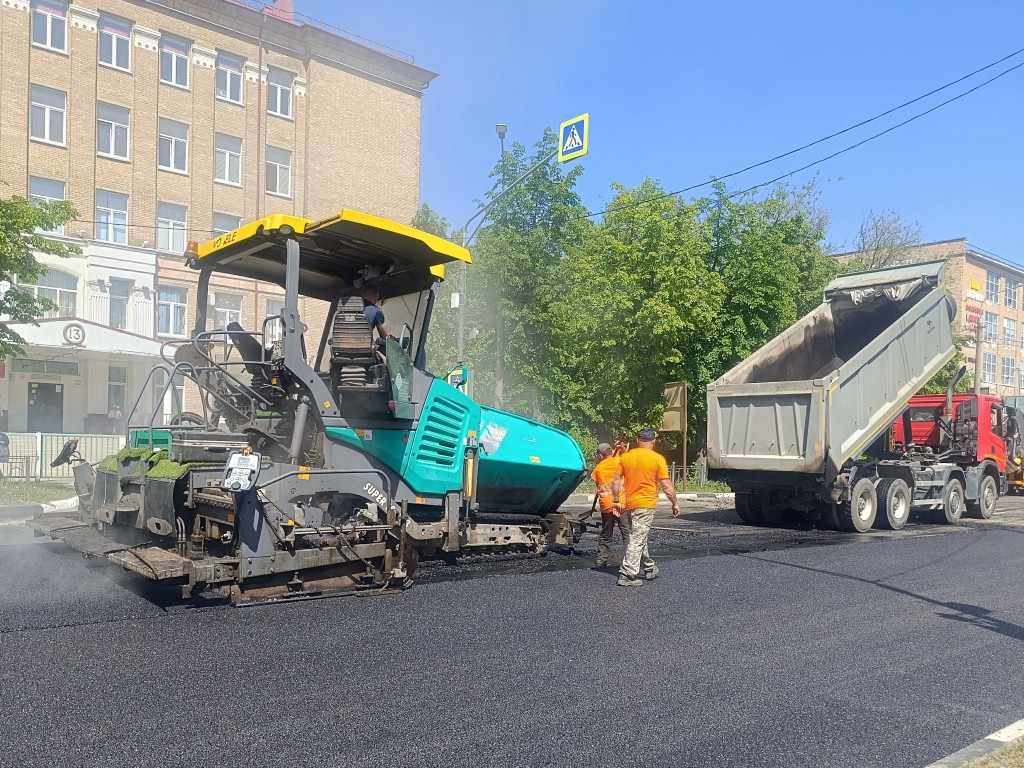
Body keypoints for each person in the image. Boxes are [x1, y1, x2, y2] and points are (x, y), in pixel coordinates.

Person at [612, 427, 680, 587]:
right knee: (637, 538)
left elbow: (615, 481)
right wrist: (675, 502)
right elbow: (666, 484)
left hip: (630, 504)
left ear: (637, 441)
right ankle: (627, 574)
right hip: (646, 504)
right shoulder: (657, 459)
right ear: (653, 442)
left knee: (639, 535)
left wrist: (616, 500)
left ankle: (649, 568)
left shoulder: (626, 457)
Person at [592, 442, 629, 567]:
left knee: (606, 533)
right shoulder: (619, 461)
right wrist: (621, 449)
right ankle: (630, 560)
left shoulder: (598, 468)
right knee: (626, 532)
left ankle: (601, 559)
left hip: (606, 505)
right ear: (611, 450)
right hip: (620, 504)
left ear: (601, 455)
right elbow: (627, 459)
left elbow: (598, 484)